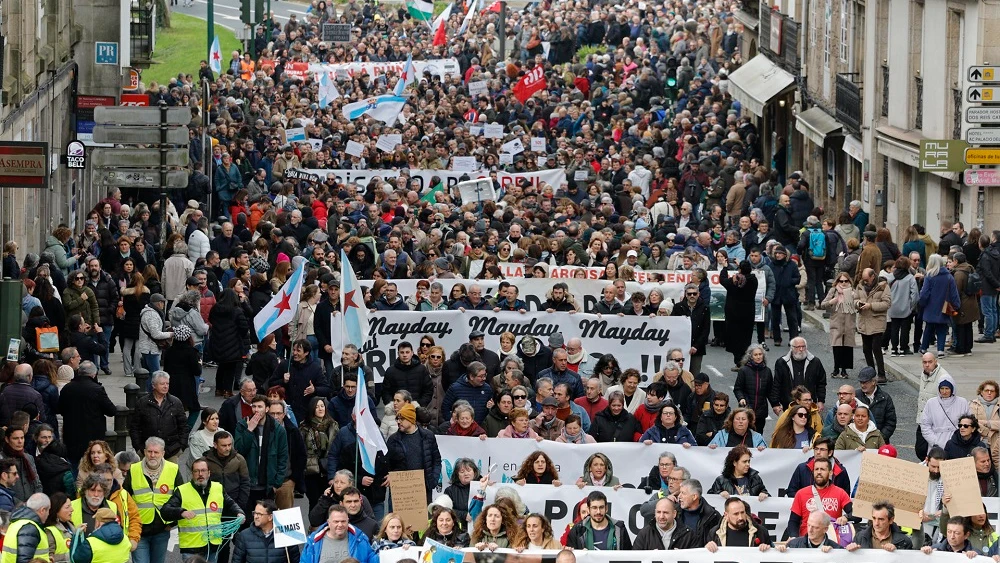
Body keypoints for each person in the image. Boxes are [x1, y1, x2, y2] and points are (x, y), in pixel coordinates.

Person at [159, 458, 246, 562]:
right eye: (196, 471)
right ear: (192, 473)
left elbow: (230, 503)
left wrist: (239, 512)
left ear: (209, 473)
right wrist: (181, 512)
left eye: (203, 470)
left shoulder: (218, 488)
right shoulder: (182, 490)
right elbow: (165, 511)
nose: (200, 474)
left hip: (213, 546)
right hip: (191, 549)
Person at [125, 437, 183, 563]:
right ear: (144, 452)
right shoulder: (133, 469)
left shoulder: (173, 469)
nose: (152, 455)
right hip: (139, 530)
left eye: (156, 452)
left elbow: (181, 497)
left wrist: (172, 523)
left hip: (162, 530)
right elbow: (125, 498)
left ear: (162, 453)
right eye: (149, 452)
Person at [57, 360, 117, 467]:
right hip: (93, 436)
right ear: (93, 374)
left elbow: (60, 409)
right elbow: (111, 410)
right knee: (93, 467)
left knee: (74, 465)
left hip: (72, 435)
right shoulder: (97, 390)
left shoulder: (67, 388)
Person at [234, 395, 288, 513]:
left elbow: (283, 457)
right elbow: (238, 451)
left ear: (267, 409)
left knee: (265, 518)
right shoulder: (242, 425)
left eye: (260, 407)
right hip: (247, 483)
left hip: (267, 484)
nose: (256, 410)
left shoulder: (278, 429)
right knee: (247, 518)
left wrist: (276, 483)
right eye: (254, 406)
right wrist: (249, 431)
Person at [785, 458, 853, 539]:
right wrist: (794, 538)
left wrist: (846, 517)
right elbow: (793, 521)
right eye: (816, 469)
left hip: (831, 543)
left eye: (823, 469)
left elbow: (856, 515)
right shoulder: (801, 493)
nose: (819, 472)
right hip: (806, 544)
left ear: (830, 472)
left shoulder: (840, 493)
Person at [386, 403, 441, 502]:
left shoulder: (428, 436)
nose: (398, 422)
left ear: (411, 419)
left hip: (424, 489)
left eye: (402, 419)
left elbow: (436, 460)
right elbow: (388, 465)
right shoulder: (393, 440)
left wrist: (433, 480)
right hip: (402, 491)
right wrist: (391, 476)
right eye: (397, 419)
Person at [129, 371, 189, 460]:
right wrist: (139, 448)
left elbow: (184, 426)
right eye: (162, 384)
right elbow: (134, 427)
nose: (165, 386)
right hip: (148, 452)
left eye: (167, 383)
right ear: (154, 385)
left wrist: (181, 447)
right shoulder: (143, 403)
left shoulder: (176, 402)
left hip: (171, 451)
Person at [300, 505, 378, 563]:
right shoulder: (313, 542)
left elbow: (372, 559)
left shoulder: (360, 539)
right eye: (336, 521)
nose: (340, 525)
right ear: (329, 522)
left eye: (343, 521)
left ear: (348, 521)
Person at [231, 499, 301, 563]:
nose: (255, 516)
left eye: (259, 514)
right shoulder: (244, 536)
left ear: (270, 517)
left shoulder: (286, 535)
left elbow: (296, 560)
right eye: (255, 513)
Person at [718, 258, 758, 370]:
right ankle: (746, 360)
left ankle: (739, 362)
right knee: (746, 338)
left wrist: (725, 267)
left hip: (733, 314)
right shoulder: (753, 280)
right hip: (748, 314)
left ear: (739, 269)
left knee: (734, 339)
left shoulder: (734, 281)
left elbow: (722, 279)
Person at [919, 254, 961, 357]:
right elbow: (954, 293)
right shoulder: (948, 276)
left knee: (929, 327)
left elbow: (924, 293)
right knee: (942, 327)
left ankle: (924, 348)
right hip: (944, 306)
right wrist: (956, 305)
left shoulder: (929, 276)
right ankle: (940, 350)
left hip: (930, 306)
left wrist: (922, 303)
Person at [771, 338, 827, 414]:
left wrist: (821, 400)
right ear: (792, 348)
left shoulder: (815, 362)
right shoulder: (782, 363)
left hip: (809, 405)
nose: (801, 349)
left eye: (803, 346)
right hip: (789, 406)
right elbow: (776, 384)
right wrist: (775, 404)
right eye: (798, 347)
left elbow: (821, 383)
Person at [855, 267, 891, 381]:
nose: (865, 281)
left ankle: (881, 374)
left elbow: (887, 304)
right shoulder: (860, 285)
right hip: (864, 320)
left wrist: (871, 305)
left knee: (876, 348)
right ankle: (871, 374)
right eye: (863, 279)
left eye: (867, 279)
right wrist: (858, 304)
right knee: (866, 349)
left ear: (873, 277)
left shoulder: (883, 286)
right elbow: (854, 299)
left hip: (877, 321)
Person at [564, 491, 632, 550]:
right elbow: (570, 557)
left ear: (606, 508)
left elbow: (628, 556)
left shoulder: (619, 528)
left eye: (601, 507)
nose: (598, 512)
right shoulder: (577, 530)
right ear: (589, 509)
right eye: (594, 508)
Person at [823, 272, 859, 378]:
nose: (843, 283)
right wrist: (832, 301)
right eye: (841, 281)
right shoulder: (833, 290)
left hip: (849, 323)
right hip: (836, 322)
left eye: (846, 281)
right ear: (837, 281)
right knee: (837, 347)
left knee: (846, 347)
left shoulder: (853, 291)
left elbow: (858, 305)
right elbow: (823, 304)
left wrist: (854, 299)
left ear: (849, 281)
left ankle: (844, 370)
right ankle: (835, 369)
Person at [704, 497, 773, 552]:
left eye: (742, 512)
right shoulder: (714, 533)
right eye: (736, 514)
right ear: (726, 515)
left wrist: (767, 549)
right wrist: (707, 548)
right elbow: (706, 558)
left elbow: (771, 557)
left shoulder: (760, 532)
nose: (740, 517)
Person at [733, 344, 775, 433]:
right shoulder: (744, 370)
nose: (758, 357)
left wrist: (775, 404)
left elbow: (770, 391)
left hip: (761, 412)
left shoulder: (767, 371)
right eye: (755, 355)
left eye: (760, 354)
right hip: (746, 409)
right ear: (750, 356)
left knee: (758, 434)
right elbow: (737, 388)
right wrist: (741, 398)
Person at [921, 375, 970, 450]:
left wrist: (962, 439)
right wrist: (935, 442)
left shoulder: (962, 402)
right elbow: (925, 426)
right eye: (942, 388)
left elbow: (970, 423)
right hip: (936, 444)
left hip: (958, 443)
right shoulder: (931, 403)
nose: (944, 392)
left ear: (952, 389)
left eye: (947, 388)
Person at [671, 283, 710, 375]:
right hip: (680, 347)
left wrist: (696, 346)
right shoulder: (678, 307)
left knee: (694, 374)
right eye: (689, 294)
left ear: (698, 294)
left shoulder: (705, 308)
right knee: (677, 373)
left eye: (694, 293)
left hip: (697, 348)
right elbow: (672, 324)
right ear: (685, 294)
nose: (692, 296)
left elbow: (706, 329)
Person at [633, 496, 698, 550]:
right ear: (655, 513)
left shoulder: (689, 535)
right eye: (658, 512)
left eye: (665, 512)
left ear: (674, 514)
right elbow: (634, 559)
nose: (661, 516)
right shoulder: (644, 534)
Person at [846, 501, 914, 551]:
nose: (876, 523)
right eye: (874, 518)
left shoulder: (904, 541)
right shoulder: (860, 537)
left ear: (891, 520)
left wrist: (897, 552)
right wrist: (851, 550)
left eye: (881, 519)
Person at [4, 493, 51, 562]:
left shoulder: (18, 523)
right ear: (42, 510)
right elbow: (24, 560)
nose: (49, 514)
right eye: (48, 510)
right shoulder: (30, 528)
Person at [856, 367, 898, 443]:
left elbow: (890, 422)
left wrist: (879, 438)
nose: (862, 385)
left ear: (873, 382)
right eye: (861, 382)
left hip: (878, 443)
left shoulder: (885, 398)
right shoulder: (856, 396)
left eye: (865, 382)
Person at [676, 479, 722, 546]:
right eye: (680, 493)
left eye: (683, 493)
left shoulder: (713, 516)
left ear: (694, 497)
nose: (679, 496)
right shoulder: (674, 512)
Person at [969, 380, 1000, 467]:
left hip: (996, 444)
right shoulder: (973, 405)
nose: (989, 393)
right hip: (979, 442)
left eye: (992, 391)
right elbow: (972, 423)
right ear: (981, 392)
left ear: (996, 393)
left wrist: (988, 423)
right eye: (986, 390)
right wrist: (991, 429)